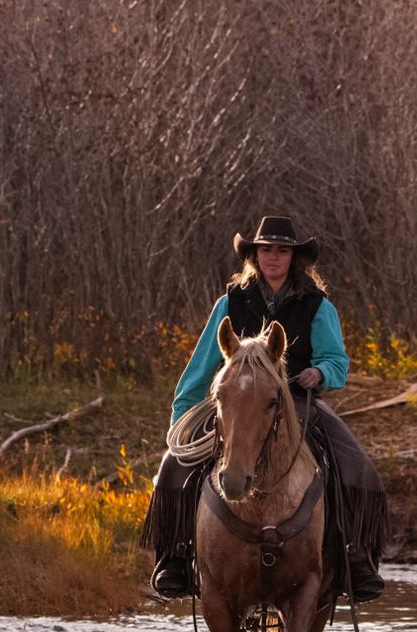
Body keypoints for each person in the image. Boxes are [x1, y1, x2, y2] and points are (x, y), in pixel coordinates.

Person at [140, 215, 387, 602]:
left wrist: (318, 373)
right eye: (266, 250)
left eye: (282, 251)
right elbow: (202, 367)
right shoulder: (229, 303)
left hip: (294, 402)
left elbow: (337, 361)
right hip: (235, 403)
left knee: (357, 467)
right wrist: (182, 426)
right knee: (173, 467)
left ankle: (355, 557)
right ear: (254, 255)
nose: (274, 257)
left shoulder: (317, 305)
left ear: (294, 257)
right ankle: (173, 557)